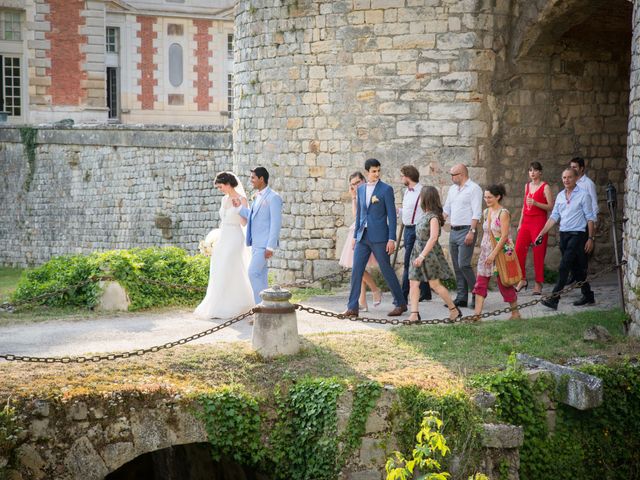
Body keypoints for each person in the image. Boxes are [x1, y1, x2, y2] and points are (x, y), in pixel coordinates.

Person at [342, 158, 407, 317]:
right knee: (356, 271)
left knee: (386, 270)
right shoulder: (361, 189)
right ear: (367, 172)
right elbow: (359, 216)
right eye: (373, 171)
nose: (377, 174)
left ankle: (401, 303)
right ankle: (352, 308)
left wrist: (391, 239)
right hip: (362, 238)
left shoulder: (386, 189)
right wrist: (356, 236)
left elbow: (392, 216)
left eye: (378, 171)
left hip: (380, 238)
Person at [194, 172, 255, 318]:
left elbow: (244, 223)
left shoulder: (242, 199)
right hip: (224, 237)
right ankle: (219, 304)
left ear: (228, 184)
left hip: (235, 237)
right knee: (218, 268)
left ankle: (237, 304)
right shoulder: (224, 199)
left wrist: (240, 208)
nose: (220, 189)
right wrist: (215, 240)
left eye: (220, 186)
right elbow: (223, 220)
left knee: (230, 265)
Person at [537, 168, 596, 310]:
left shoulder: (583, 195)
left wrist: (590, 238)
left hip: (578, 235)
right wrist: (542, 233)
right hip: (564, 235)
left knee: (564, 266)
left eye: (569, 177)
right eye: (564, 177)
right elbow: (554, 217)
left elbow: (590, 218)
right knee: (576, 269)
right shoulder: (560, 196)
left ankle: (554, 299)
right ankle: (588, 295)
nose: (566, 180)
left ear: (576, 178)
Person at [408, 186, 461, 322]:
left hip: (429, 255)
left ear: (426, 198)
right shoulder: (424, 215)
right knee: (413, 284)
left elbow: (433, 238)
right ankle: (414, 314)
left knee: (434, 285)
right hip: (417, 251)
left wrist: (422, 256)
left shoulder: (433, 218)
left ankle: (454, 310)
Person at [472, 185, 521, 320]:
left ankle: (515, 313)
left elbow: (504, 236)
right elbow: (487, 233)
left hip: (501, 252)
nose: (486, 199)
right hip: (486, 250)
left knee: (504, 282)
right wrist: (486, 252)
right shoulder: (486, 212)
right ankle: (477, 315)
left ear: (498, 197)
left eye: (489, 197)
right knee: (481, 281)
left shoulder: (503, 213)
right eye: (485, 197)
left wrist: (493, 254)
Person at [236, 167, 283, 304]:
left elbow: (276, 223)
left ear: (261, 179)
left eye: (253, 178)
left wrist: (271, 246)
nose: (251, 181)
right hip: (255, 244)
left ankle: (261, 308)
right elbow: (252, 216)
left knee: (252, 273)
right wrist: (239, 207)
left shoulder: (274, 197)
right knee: (261, 278)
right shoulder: (257, 196)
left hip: (265, 245)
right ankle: (266, 309)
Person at [339, 172, 383, 311]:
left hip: (366, 232)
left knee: (357, 267)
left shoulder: (369, 193)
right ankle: (362, 301)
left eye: (358, 182)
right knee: (358, 268)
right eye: (353, 184)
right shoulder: (358, 195)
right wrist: (353, 197)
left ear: (363, 180)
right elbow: (355, 215)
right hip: (357, 231)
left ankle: (375, 290)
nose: (356, 186)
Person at [443, 164, 483, 309]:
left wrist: (472, 231)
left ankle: (477, 294)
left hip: (467, 230)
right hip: (454, 230)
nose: (451, 178)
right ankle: (461, 297)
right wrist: (438, 220)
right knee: (457, 266)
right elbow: (446, 208)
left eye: (453, 175)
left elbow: (477, 212)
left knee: (464, 264)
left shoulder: (474, 189)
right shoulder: (452, 189)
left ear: (462, 174)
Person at [514, 162, 553, 295]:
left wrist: (536, 203)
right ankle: (522, 279)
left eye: (535, 170)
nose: (532, 172)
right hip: (526, 221)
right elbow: (524, 207)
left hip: (539, 221)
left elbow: (551, 206)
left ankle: (538, 283)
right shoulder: (527, 186)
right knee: (518, 249)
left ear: (540, 172)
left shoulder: (545, 187)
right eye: (530, 170)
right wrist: (520, 223)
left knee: (538, 252)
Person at [399, 165, 432, 304]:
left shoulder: (423, 191)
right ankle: (426, 293)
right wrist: (398, 211)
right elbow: (408, 210)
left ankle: (403, 295)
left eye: (402, 176)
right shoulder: (407, 192)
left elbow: (429, 211)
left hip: (417, 230)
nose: (401, 178)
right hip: (407, 229)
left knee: (408, 263)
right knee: (418, 262)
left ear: (408, 176)